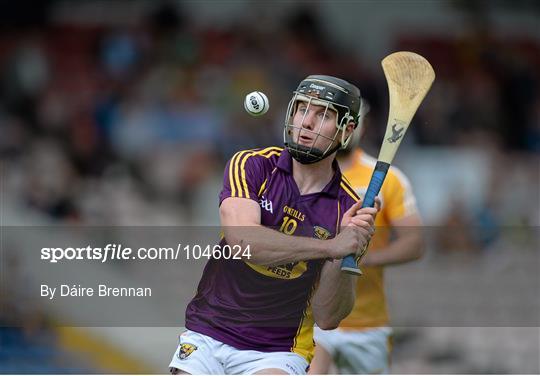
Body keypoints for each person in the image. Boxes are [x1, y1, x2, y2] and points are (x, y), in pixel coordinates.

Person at [168, 75, 380, 375]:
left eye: (323, 115)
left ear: (346, 130)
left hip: (278, 350)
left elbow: (328, 317)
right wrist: (329, 245)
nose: (307, 122)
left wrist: (347, 252)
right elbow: (244, 244)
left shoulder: (348, 209)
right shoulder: (251, 165)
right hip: (210, 332)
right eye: (302, 109)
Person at [309, 113, 424, 374]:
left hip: (368, 323)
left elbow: (415, 243)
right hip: (310, 317)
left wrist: (365, 257)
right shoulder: (304, 175)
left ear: (360, 126)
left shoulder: (390, 179)